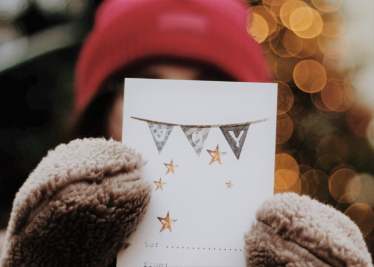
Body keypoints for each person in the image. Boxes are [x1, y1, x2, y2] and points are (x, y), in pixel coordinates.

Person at [0, 0, 372, 266]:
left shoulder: (292, 252)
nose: (179, 116)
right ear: (101, 113)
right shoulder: (24, 247)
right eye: (147, 86)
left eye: (208, 87)